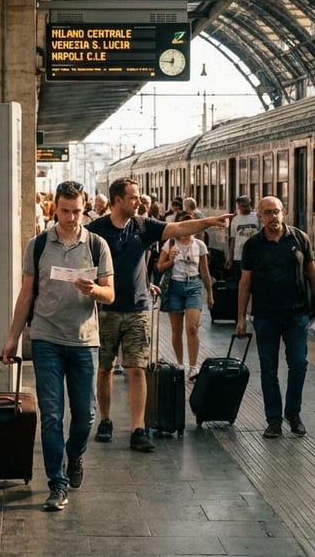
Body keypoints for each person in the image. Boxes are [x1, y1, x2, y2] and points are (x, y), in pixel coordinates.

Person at [87, 178, 232, 452]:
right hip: (105, 310)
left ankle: (138, 428)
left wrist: (209, 221)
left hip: (138, 308)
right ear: (117, 200)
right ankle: (105, 420)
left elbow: (179, 227)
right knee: (105, 367)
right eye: (133, 197)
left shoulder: (143, 226)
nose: (139, 202)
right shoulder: (96, 231)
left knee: (136, 368)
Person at [1, 181, 114, 512]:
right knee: (51, 415)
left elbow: (111, 294)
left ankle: (74, 454)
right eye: (65, 211)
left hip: (84, 340)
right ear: (55, 209)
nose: (71, 217)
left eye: (77, 211)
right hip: (46, 338)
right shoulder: (37, 245)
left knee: (85, 416)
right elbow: (26, 294)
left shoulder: (96, 244)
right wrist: (13, 338)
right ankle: (57, 483)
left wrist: (94, 290)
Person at [235, 196, 315, 440]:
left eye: (276, 211)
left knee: (299, 364)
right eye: (267, 213)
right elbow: (245, 282)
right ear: (259, 216)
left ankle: (293, 413)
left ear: (283, 212)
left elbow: (312, 271)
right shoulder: (253, 245)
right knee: (269, 369)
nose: (272, 216)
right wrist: (241, 318)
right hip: (265, 315)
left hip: (297, 313)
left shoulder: (299, 238)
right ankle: (274, 420)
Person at [156, 212, 214, 380]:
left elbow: (204, 271)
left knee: (192, 328)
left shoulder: (200, 246)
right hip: (174, 285)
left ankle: (193, 367)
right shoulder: (170, 243)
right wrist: (171, 260)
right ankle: (180, 365)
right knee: (176, 329)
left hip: (194, 286)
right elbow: (160, 266)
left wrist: (209, 293)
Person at [226, 195, 260, 281]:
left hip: (255, 255)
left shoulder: (257, 217)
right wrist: (230, 258)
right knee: (241, 281)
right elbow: (233, 239)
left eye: (247, 205)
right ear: (238, 206)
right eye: (243, 206)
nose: (246, 208)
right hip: (239, 256)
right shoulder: (235, 220)